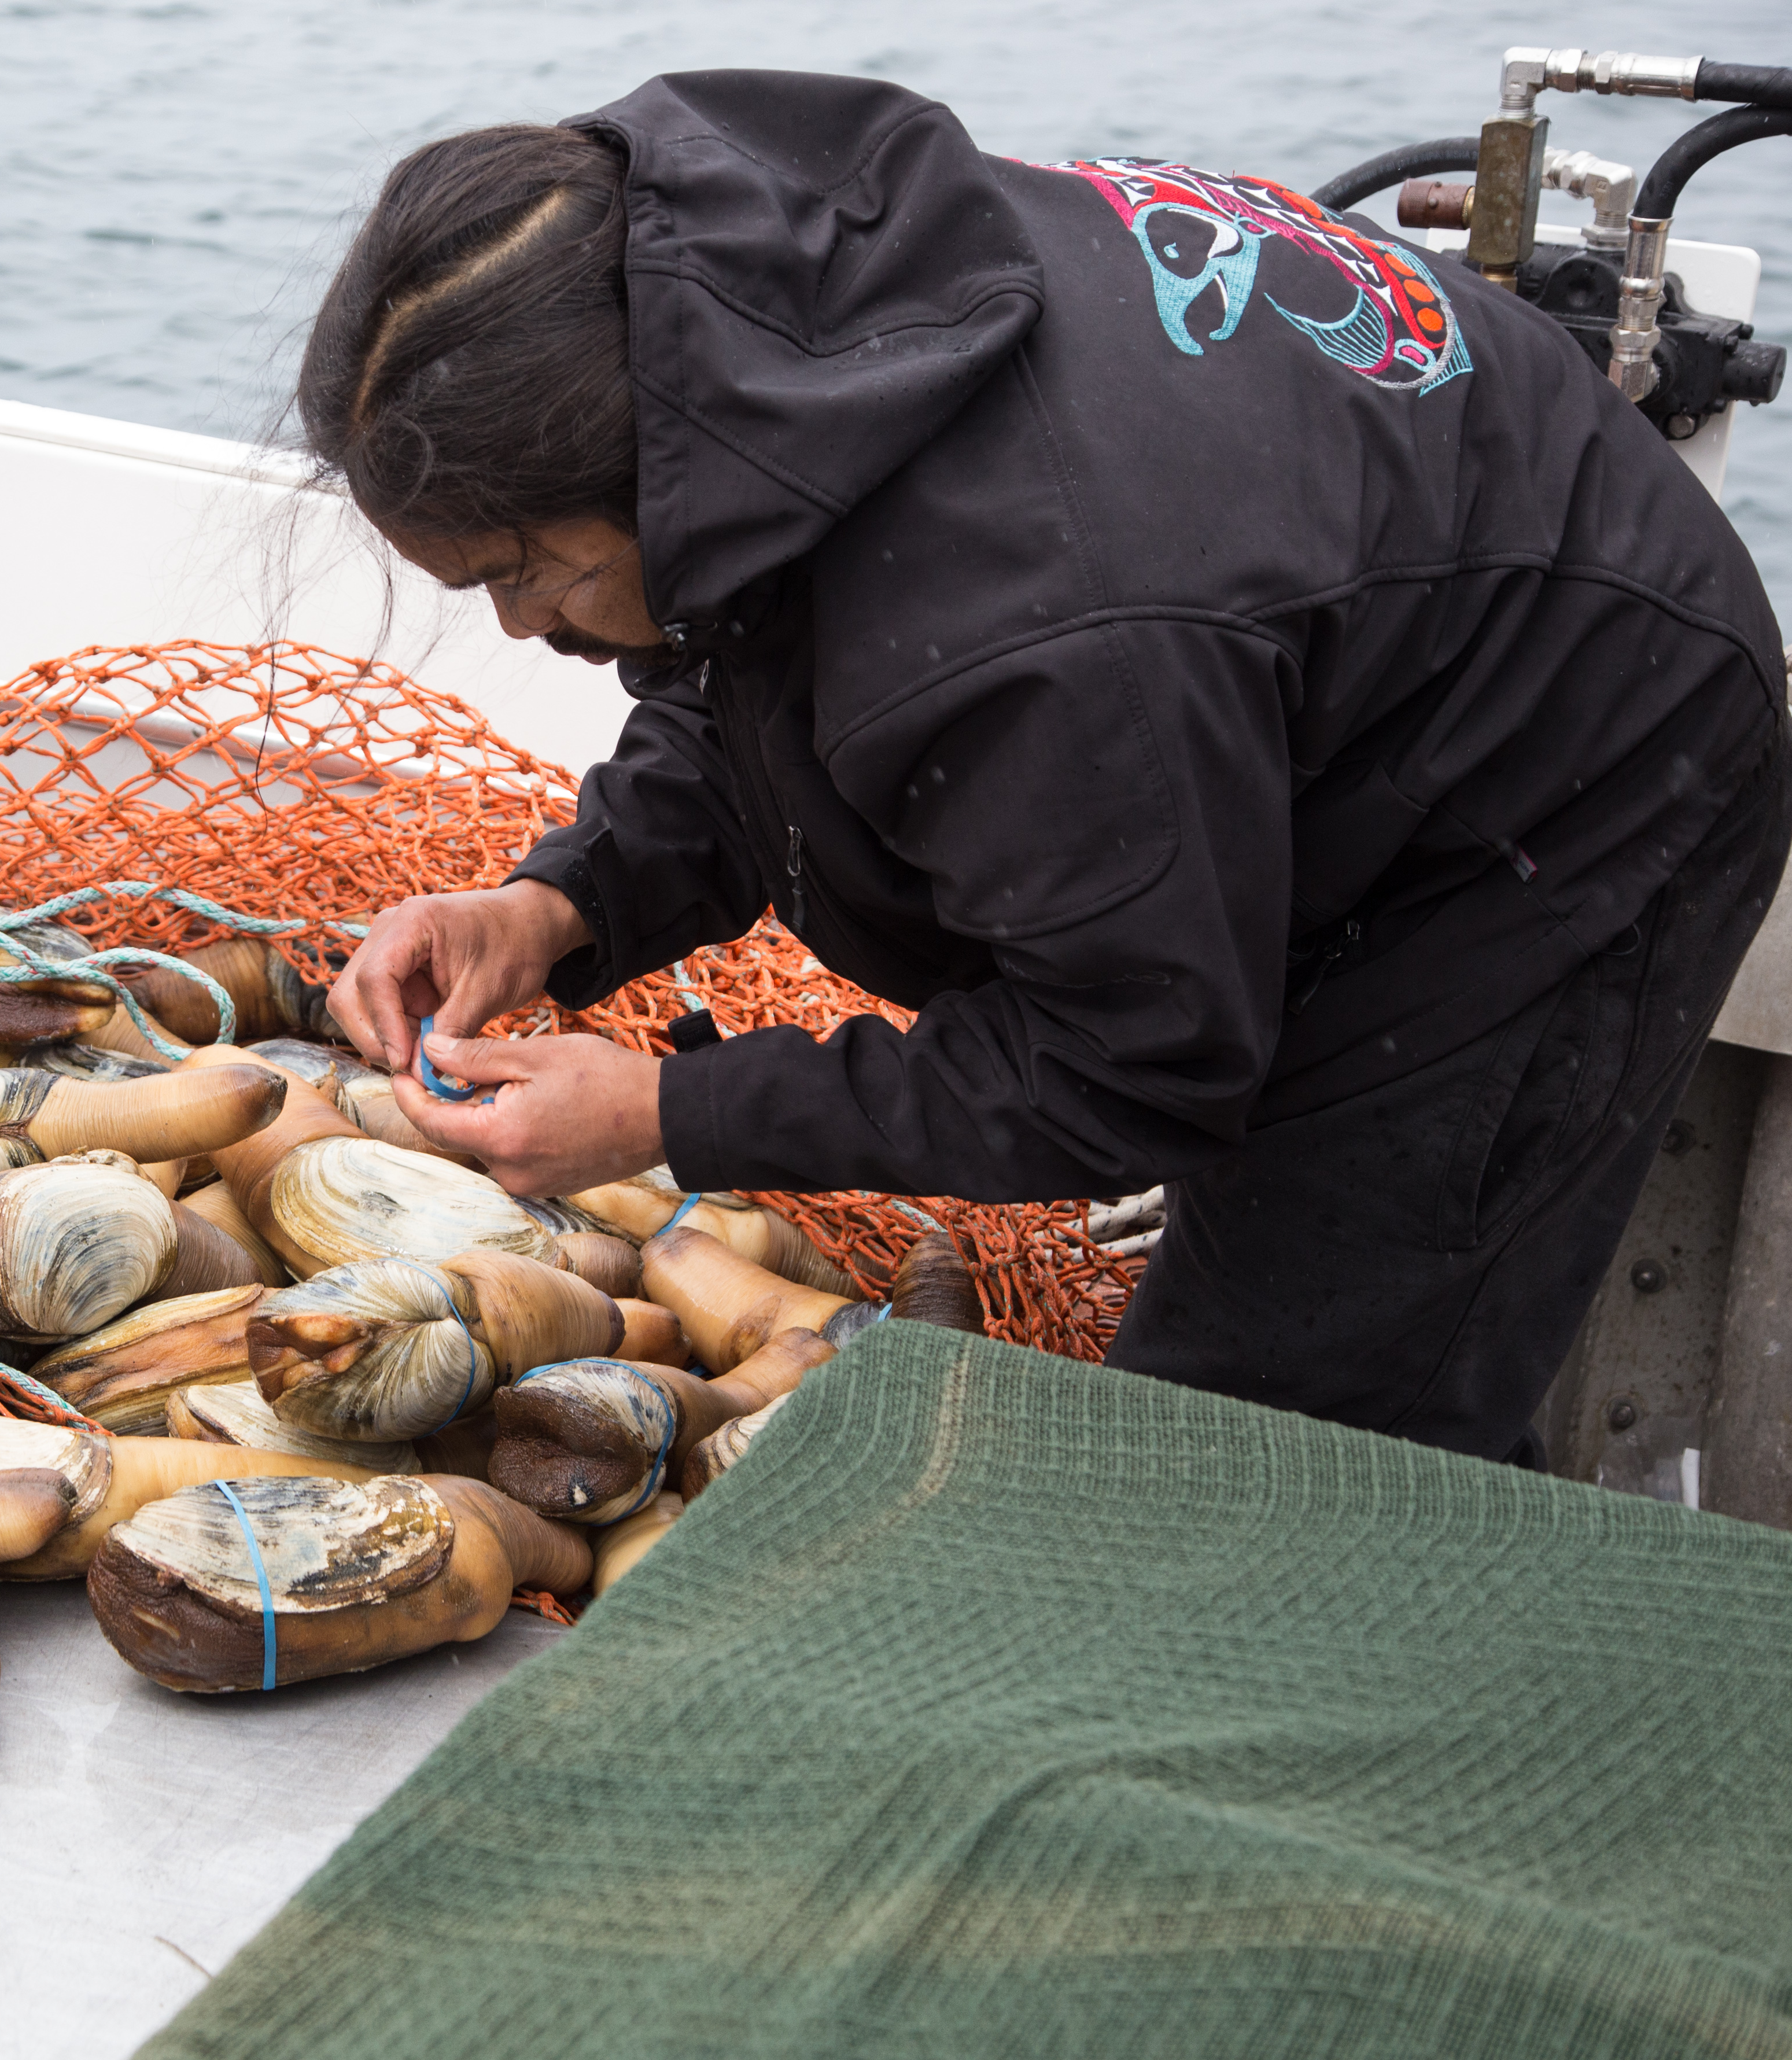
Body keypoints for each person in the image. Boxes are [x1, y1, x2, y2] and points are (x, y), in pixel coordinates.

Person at [312, 71, 1791, 1465]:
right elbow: (755, 670)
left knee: (1260, 1435)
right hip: (1321, 635)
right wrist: (559, 904)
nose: (520, 627)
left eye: (521, 573)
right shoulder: (769, 346)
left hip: (1577, 772)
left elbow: (1128, 1072)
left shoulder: (1042, 632)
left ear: (651, 469)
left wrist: (664, 1114)